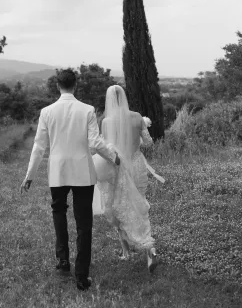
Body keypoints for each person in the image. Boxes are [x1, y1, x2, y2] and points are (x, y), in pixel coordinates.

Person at [20, 68, 120, 291]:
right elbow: (95, 143)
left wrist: (29, 176)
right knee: (84, 223)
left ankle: (63, 261)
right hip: (83, 172)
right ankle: (82, 275)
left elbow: (39, 147)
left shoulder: (46, 112)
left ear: (58, 85)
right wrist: (114, 157)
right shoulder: (87, 110)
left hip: (58, 172)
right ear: (75, 85)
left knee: (59, 213)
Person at [92, 85, 165, 273]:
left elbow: (108, 149)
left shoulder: (106, 122)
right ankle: (149, 248)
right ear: (124, 96)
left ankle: (126, 252)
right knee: (139, 205)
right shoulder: (137, 116)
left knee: (118, 206)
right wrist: (141, 133)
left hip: (118, 167)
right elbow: (148, 142)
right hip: (137, 165)